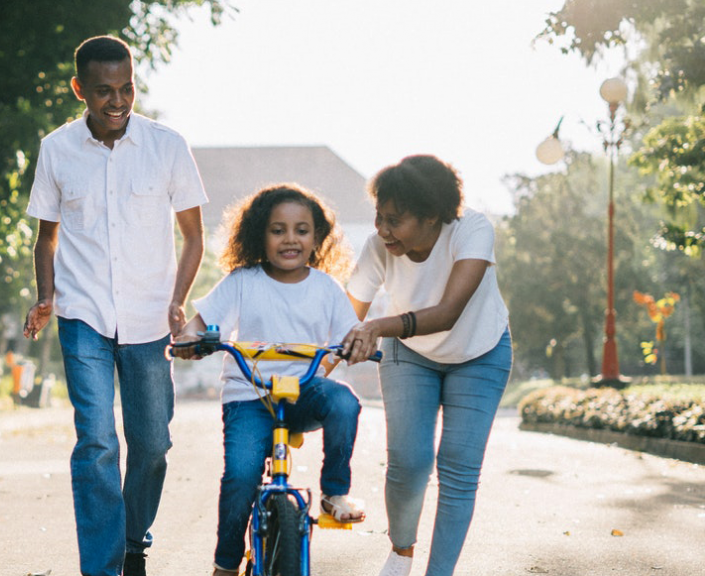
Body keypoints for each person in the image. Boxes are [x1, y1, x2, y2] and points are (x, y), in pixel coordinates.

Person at [22, 35, 207, 576]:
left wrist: (178, 300)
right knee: (98, 441)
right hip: (83, 316)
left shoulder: (167, 145)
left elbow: (194, 237)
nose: (118, 101)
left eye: (126, 88)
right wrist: (45, 297)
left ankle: (132, 542)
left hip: (151, 317)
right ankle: (102, 567)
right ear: (80, 89)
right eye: (103, 91)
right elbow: (46, 239)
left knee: (152, 444)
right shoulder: (56, 149)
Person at [172, 183, 366, 576]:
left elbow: (349, 335)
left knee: (344, 401)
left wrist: (356, 345)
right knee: (241, 477)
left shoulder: (327, 288)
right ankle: (225, 565)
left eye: (301, 230)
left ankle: (334, 492)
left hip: (304, 391)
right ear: (260, 234)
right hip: (250, 396)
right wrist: (190, 340)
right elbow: (199, 325)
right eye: (278, 230)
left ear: (317, 238)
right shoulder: (243, 281)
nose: (290, 239)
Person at [339, 155, 512, 576]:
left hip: (480, 352)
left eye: (394, 220)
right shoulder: (379, 246)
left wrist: (378, 325)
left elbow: (449, 312)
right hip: (409, 353)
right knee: (409, 459)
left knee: (458, 465)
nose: (382, 230)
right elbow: (345, 320)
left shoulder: (472, 230)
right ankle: (401, 552)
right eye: (379, 217)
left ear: (432, 216)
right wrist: (308, 377)